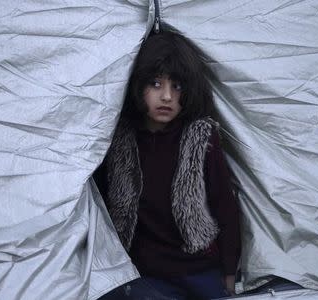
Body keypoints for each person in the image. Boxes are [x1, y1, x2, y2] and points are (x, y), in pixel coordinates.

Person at [94, 28, 241, 300]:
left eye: (177, 86)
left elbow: (226, 209)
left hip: (197, 271)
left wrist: (229, 278)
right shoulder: (121, 140)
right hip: (141, 274)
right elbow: (99, 204)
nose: (166, 97)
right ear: (138, 85)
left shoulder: (200, 137)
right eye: (156, 84)